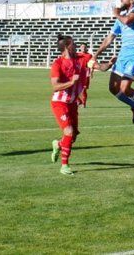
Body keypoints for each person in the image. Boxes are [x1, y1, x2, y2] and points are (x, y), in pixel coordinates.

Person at [90, 0, 134, 125]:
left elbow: (128, 21)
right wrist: (96, 54)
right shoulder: (121, 17)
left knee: (124, 88)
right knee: (113, 88)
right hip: (123, 54)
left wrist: (117, 13)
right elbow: (109, 38)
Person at [49, 35, 84, 175]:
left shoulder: (78, 60)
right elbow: (55, 86)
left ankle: (58, 144)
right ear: (67, 47)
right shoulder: (57, 63)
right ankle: (64, 166)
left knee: (73, 136)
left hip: (72, 103)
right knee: (68, 131)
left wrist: (108, 65)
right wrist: (71, 83)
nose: (75, 46)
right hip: (59, 102)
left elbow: (97, 65)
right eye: (73, 44)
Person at [75, 43, 94, 108]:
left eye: (84, 47)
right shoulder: (77, 55)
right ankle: (79, 101)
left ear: (86, 48)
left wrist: (91, 72)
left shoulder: (89, 55)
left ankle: (83, 103)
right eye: (82, 47)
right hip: (77, 74)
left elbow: (92, 64)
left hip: (85, 74)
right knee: (74, 89)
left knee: (83, 90)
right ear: (80, 48)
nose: (83, 48)